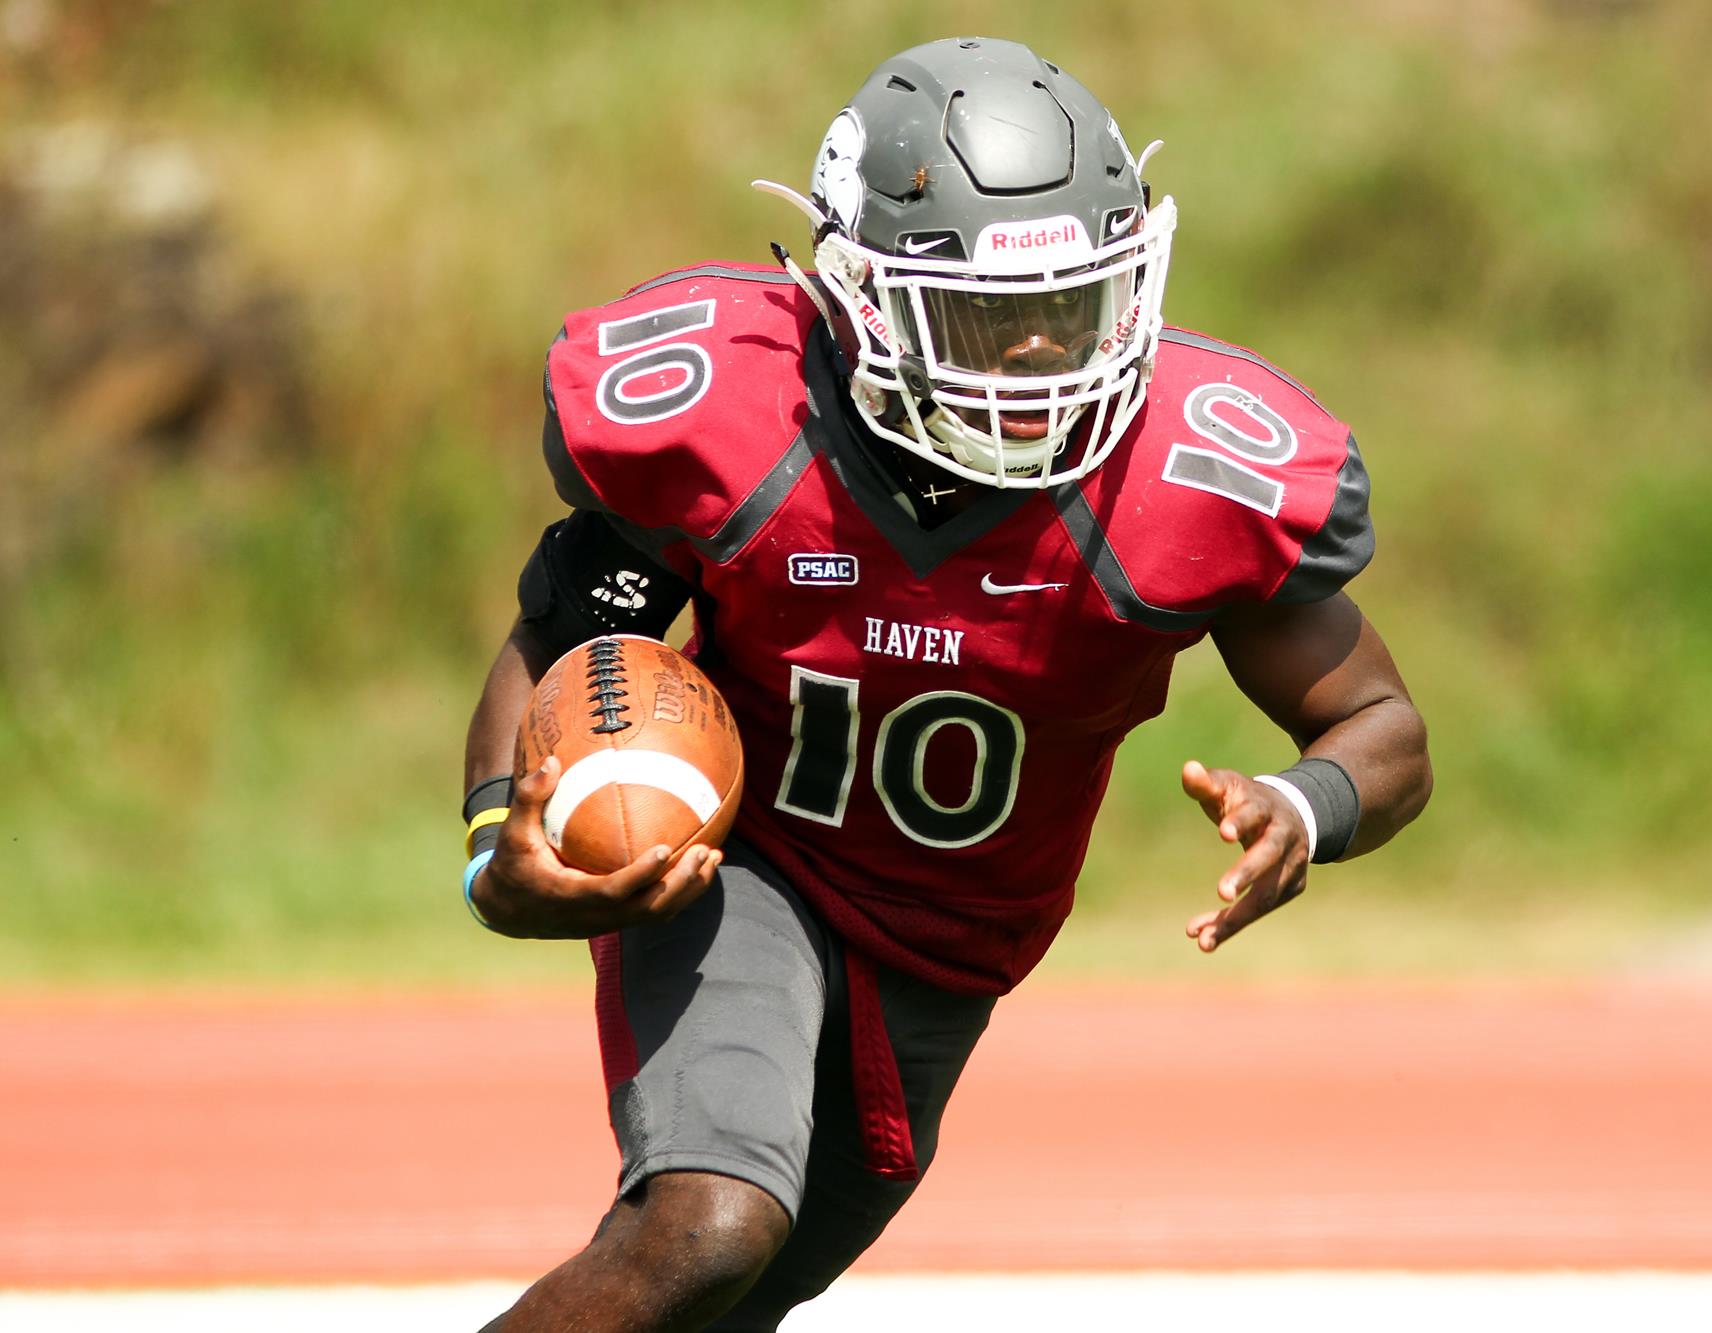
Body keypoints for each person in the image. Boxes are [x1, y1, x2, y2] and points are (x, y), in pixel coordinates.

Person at [460, 35, 1431, 1332]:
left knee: (740, 1292)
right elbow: (560, 635)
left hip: (964, 942)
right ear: (859, 300)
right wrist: (493, 838)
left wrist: (1306, 805)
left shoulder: (1183, 473)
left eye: (1073, 310)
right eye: (986, 320)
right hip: (742, 857)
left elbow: (1380, 723)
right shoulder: (745, 420)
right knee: (707, 1228)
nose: (1038, 361)